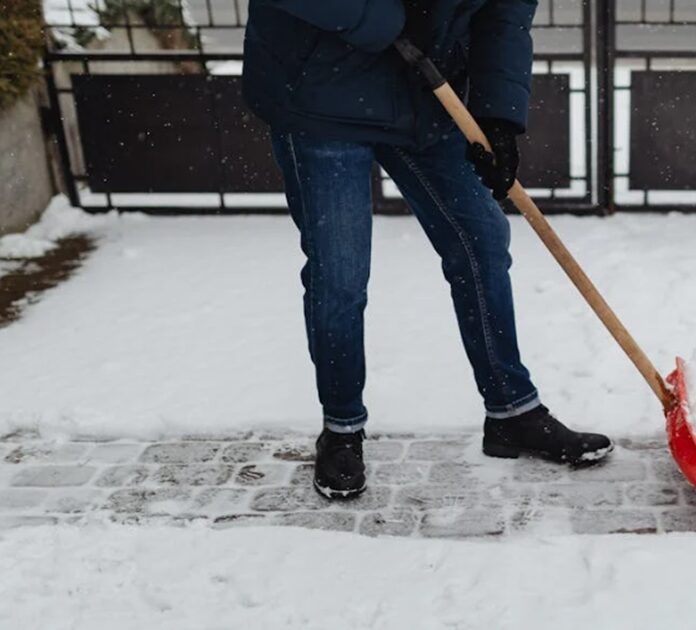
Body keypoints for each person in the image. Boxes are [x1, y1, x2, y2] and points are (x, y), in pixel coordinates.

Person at [241, 0, 612, 499]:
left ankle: (511, 411)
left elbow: (505, 14)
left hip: (422, 91)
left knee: (481, 238)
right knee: (340, 272)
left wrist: (498, 117)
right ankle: (342, 428)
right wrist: (383, 18)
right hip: (321, 94)